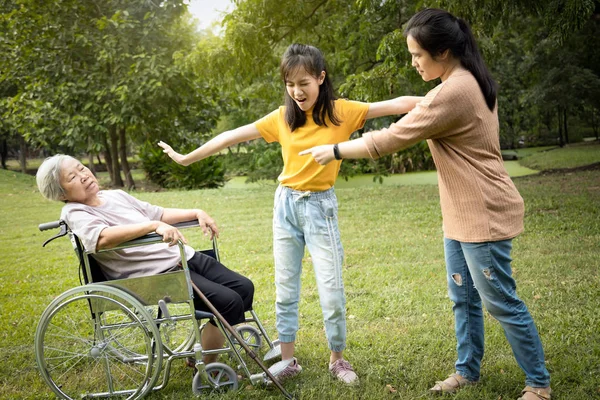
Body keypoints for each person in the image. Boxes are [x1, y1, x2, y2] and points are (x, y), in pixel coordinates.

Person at [299, 8, 551, 400]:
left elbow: (390, 140)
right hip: (461, 213)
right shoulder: (461, 82)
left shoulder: (456, 90)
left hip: (483, 212)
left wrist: (332, 150)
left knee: (500, 301)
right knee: (463, 297)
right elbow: (414, 112)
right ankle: (467, 371)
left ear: (444, 52)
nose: (414, 62)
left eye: (418, 55)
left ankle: (538, 384)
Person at [158, 43, 423, 384]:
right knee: (285, 287)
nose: (297, 92)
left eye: (304, 83)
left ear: (321, 78)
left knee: (332, 288)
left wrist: (454, 91)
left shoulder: (342, 112)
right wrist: (185, 158)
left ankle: (337, 359)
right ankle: (287, 360)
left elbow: (398, 104)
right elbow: (230, 136)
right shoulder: (283, 118)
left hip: (319, 207)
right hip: (285, 205)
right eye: (290, 84)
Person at [36, 154, 255, 365]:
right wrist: (152, 227)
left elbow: (158, 214)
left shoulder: (114, 195)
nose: (83, 175)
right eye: (72, 177)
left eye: (81, 168)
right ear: (61, 193)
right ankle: (207, 365)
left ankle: (204, 344)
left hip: (182, 256)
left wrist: (196, 212)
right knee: (228, 302)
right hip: (158, 273)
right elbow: (101, 238)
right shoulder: (75, 211)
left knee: (244, 288)